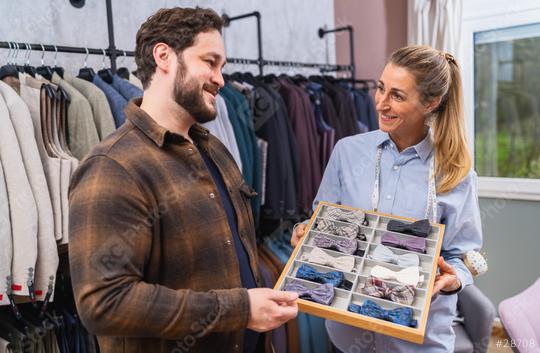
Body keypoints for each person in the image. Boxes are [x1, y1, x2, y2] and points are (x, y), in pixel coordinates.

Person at [68, 7, 298, 353]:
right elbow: (104, 301)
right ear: (164, 56)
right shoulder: (113, 166)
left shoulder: (213, 147)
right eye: (210, 62)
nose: (221, 78)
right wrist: (239, 309)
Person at [291, 45, 482, 353]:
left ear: (431, 102)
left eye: (397, 95)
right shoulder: (346, 152)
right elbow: (320, 223)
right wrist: (304, 230)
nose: (380, 103)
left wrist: (454, 280)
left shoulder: (456, 173)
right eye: (381, 88)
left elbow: (464, 257)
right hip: (348, 335)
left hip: (419, 341)